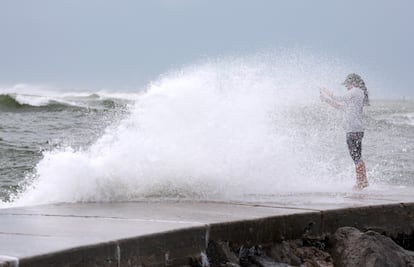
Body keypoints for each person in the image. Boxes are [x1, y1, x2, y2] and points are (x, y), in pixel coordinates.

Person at [320, 73, 369, 190]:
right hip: (354, 129)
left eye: (347, 84)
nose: (346, 87)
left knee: (356, 157)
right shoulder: (355, 96)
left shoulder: (356, 91)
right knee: (357, 156)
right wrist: (326, 100)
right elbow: (341, 107)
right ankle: (363, 181)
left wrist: (326, 90)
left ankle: (361, 183)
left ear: (354, 83)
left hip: (353, 130)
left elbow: (337, 97)